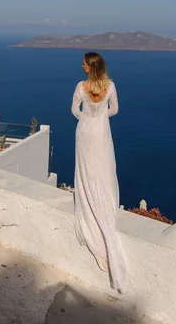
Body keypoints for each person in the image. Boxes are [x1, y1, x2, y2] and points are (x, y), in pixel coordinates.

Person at [71, 52, 126, 293]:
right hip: (102, 134)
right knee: (102, 171)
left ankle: (89, 210)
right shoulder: (110, 86)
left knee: (85, 174)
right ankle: (104, 204)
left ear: (90, 66)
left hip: (84, 133)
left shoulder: (81, 87)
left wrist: (88, 117)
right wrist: (100, 115)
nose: (81, 65)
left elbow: (74, 110)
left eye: (84, 63)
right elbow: (115, 110)